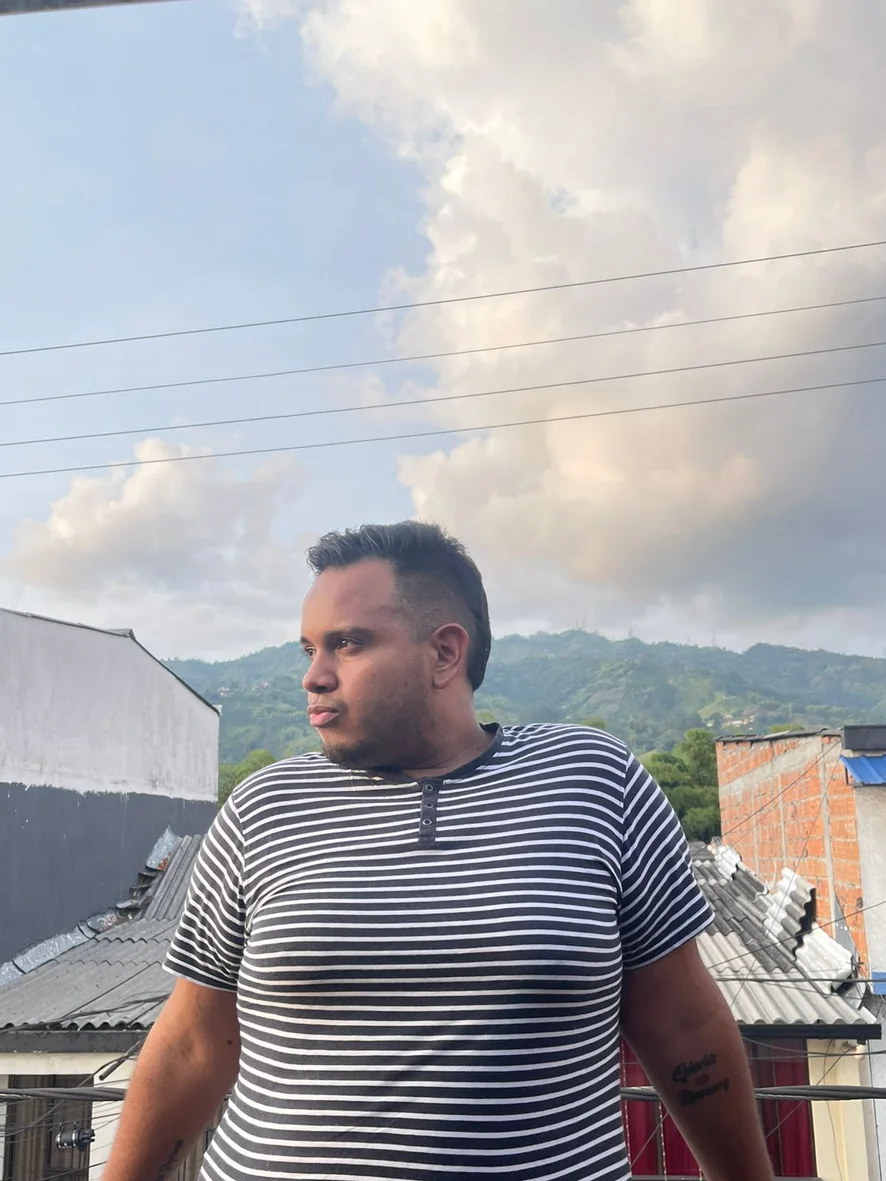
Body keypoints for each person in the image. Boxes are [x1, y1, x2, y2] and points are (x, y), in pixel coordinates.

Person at [104, 521, 775, 1181]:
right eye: (308, 649)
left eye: (346, 644)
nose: (313, 676)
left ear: (445, 653)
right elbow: (192, 1045)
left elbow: (683, 1023)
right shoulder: (264, 806)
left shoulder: (593, 780)